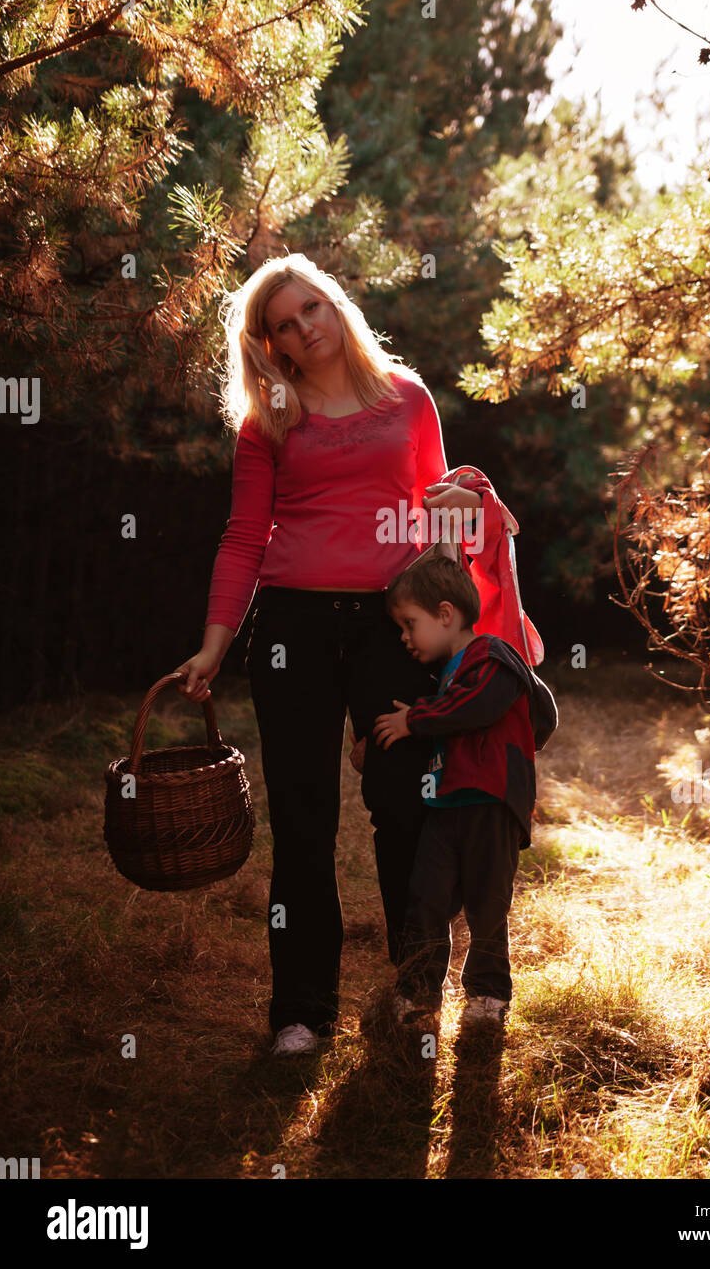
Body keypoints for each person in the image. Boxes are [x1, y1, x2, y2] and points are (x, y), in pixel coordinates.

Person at [173, 252, 481, 1056]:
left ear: (334, 305)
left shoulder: (406, 397)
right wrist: (214, 647)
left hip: (395, 627)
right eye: (284, 322)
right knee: (304, 816)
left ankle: (417, 990)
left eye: (312, 307)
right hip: (292, 633)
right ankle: (301, 1013)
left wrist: (461, 605)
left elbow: (436, 516)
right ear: (270, 344)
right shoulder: (267, 420)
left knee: (404, 804)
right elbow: (244, 538)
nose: (305, 327)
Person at [373, 555, 558, 1028]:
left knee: (487, 904)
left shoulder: (491, 655)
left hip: (492, 804)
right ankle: (418, 995)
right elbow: (454, 712)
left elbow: (482, 706)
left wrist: (416, 718)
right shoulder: (450, 674)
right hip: (447, 805)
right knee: (426, 899)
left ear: (445, 614)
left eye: (409, 624)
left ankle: (488, 996)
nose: (404, 637)